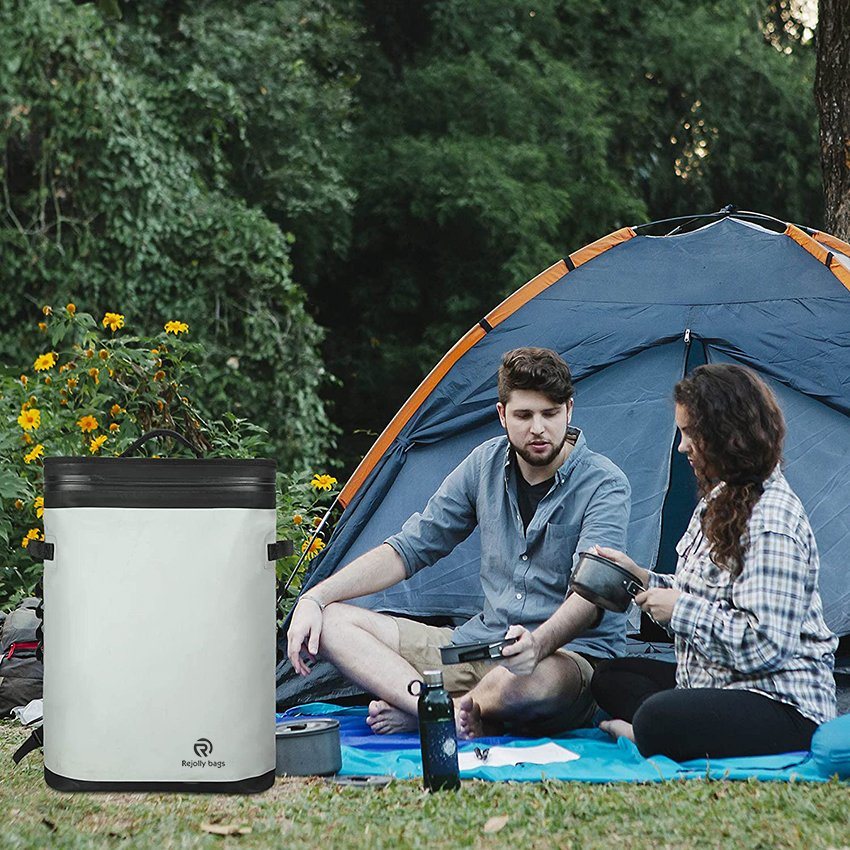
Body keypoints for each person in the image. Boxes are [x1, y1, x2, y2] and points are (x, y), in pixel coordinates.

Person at [286, 347, 631, 737]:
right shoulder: (483, 464)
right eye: (523, 415)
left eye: (550, 414)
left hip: (562, 658)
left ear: (569, 409)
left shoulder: (605, 483)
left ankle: (429, 713)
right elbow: (412, 547)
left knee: (536, 682)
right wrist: (314, 597)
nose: (538, 428)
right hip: (479, 646)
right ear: (502, 415)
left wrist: (537, 644)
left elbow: (590, 598)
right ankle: (443, 713)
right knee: (332, 623)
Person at [590, 363, 837, 761]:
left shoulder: (772, 521)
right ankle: (681, 727)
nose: (681, 447)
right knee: (610, 677)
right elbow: (702, 588)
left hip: (781, 702)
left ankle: (650, 733)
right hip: (719, 680)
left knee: (656, 716)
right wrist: (641, 578)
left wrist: (680, 610)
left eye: (690, 434)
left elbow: (765, 646)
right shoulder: (721, 498)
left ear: (726, 436)